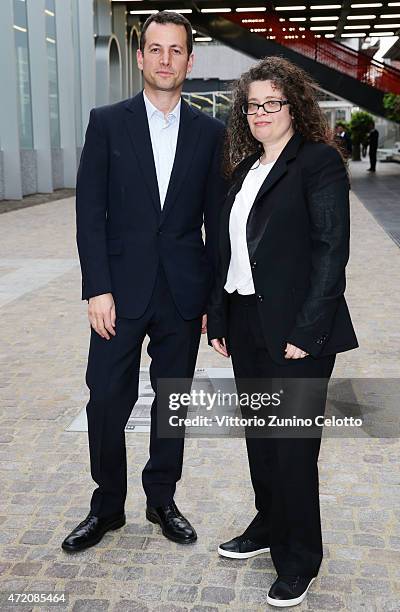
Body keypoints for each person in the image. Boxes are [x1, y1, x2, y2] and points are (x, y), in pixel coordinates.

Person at [62, 11, 226, 552]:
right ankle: (107, 507)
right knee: (106, 399)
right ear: (140, 57)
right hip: (118, 292)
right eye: (155, 49)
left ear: (188, 60)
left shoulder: (211, 133)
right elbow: (91, 212)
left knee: (171, 399)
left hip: (182, 291)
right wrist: (96, 288)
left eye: (175, 50)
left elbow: (216, 222)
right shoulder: (107, 122)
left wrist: (211, 298)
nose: (164, 59)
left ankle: (161, 499)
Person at [207, 57, 358, 607]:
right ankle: (269, 526)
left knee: (292, 447)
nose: (261, 113)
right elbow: (228, 255)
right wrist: (220, 318)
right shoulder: (245, 169)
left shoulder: (317, 162)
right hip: (247, 321)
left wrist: (308, 331)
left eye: (272, 103)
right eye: (252, 105)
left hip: (298, 331)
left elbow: (330, 251)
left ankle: (300, 557)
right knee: (261, 440)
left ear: (293, 106)